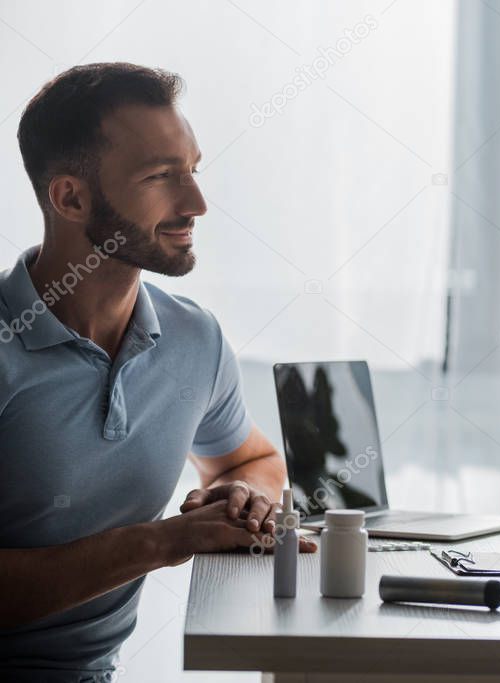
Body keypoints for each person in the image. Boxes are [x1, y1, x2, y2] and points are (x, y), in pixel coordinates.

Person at [0, 63, 316, 682]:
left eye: (192, 170)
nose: (195, 203)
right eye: (159, 177)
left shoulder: (194, 338)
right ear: (69, 197)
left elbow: (248, 461)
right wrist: (166, 541)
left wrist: (242, 494)